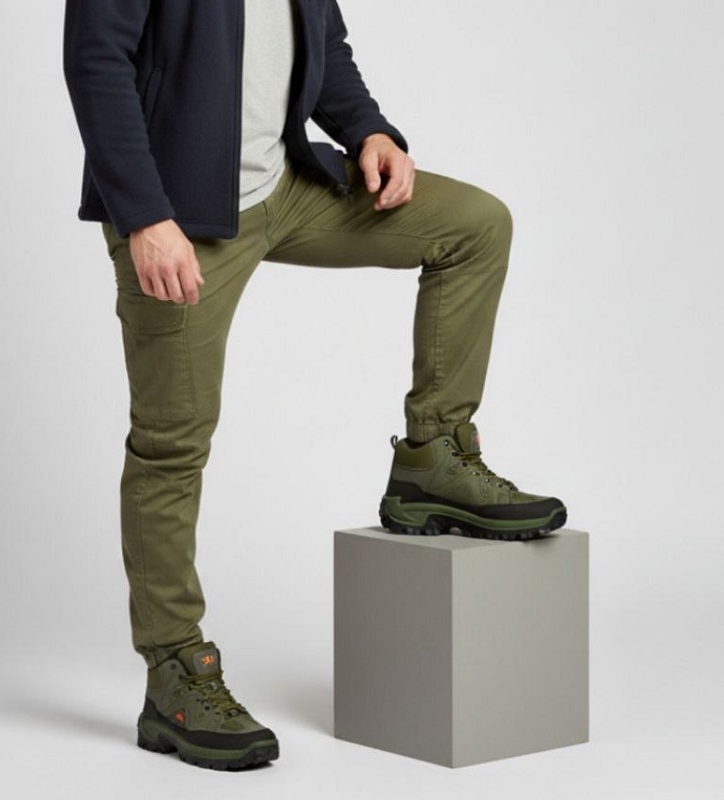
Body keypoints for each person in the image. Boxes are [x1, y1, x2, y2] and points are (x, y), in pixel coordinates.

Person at [63, 0, 567, 772]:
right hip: (179, 214)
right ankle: (173, 671)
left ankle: (432, 457)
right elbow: (95, 62)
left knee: (475, 225)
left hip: (289, 187)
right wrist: (142, 215)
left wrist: (368, 131)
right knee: (172, 443)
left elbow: (323, 40)